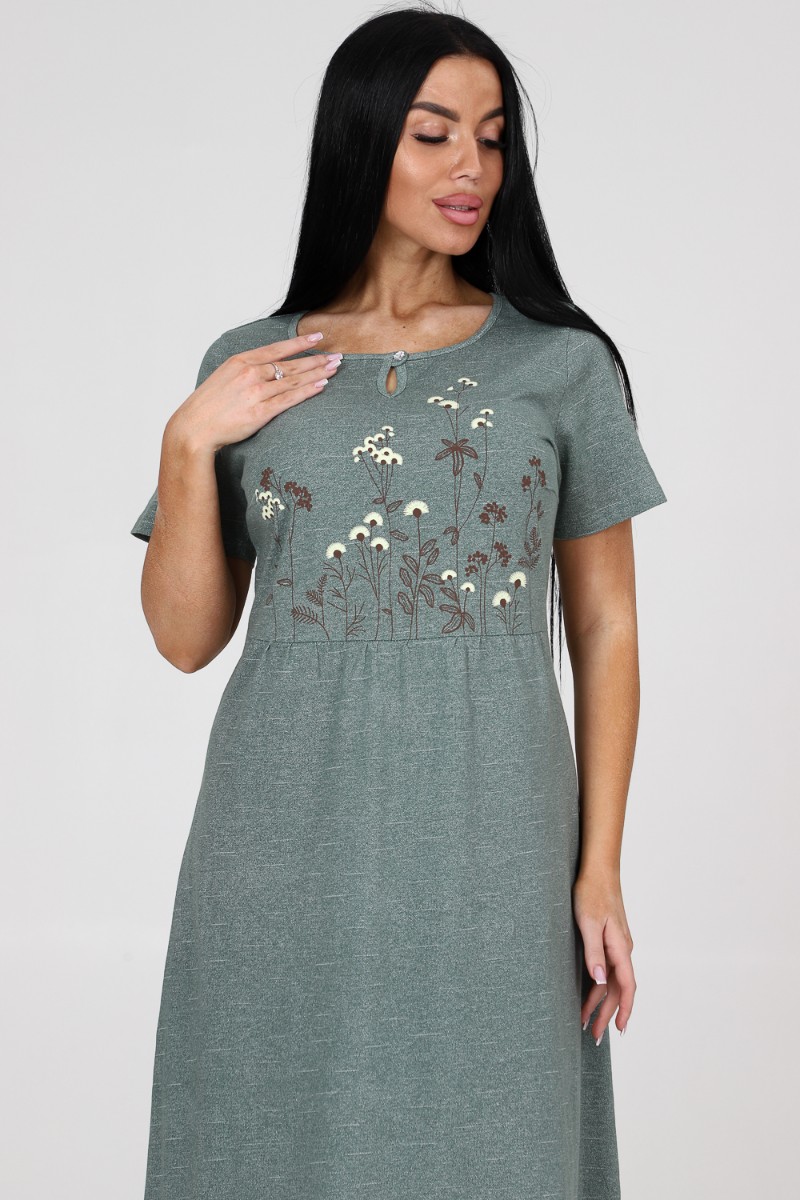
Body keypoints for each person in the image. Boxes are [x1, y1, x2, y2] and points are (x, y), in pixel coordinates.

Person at [130, 6, 667, 1198]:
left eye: (491, 136)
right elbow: (182, 638)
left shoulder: (559, 365)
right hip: (279, 831)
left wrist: (598, 868)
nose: (470, 166)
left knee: (493, 1131)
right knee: (265, 1132)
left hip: (495, 830)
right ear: (360, 142)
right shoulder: (252, 362)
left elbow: (605, 625)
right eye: (432, 134)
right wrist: (186, 442)